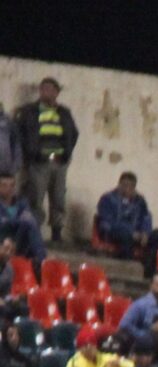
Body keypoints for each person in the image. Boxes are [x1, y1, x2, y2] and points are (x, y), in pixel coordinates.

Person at [12, 77, 75, 246]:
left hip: (59, 162)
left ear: (56, 92)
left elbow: (73, 133)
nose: (45, 92)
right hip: (39, 162)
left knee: (59, 197)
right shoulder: (30, 111)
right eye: (43, 88)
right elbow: (20, 134)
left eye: (50, 89)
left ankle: (56, 233)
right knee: (35, 197)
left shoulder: (64, 112)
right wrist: (31, 153)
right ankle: (34, 233)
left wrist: (66, 153)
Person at [92, 172, 158, 275]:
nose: (127, 188)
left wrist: (145, 232)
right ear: (119, 184)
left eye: (130, 186)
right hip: (112, 232)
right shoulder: (107, 199)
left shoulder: (139, 201)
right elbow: (107, 221)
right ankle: (127, 269)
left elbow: (146, 217)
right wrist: (131, 233)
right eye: (124, 185)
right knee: (126, 236)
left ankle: (148, 271)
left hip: (138, 234)